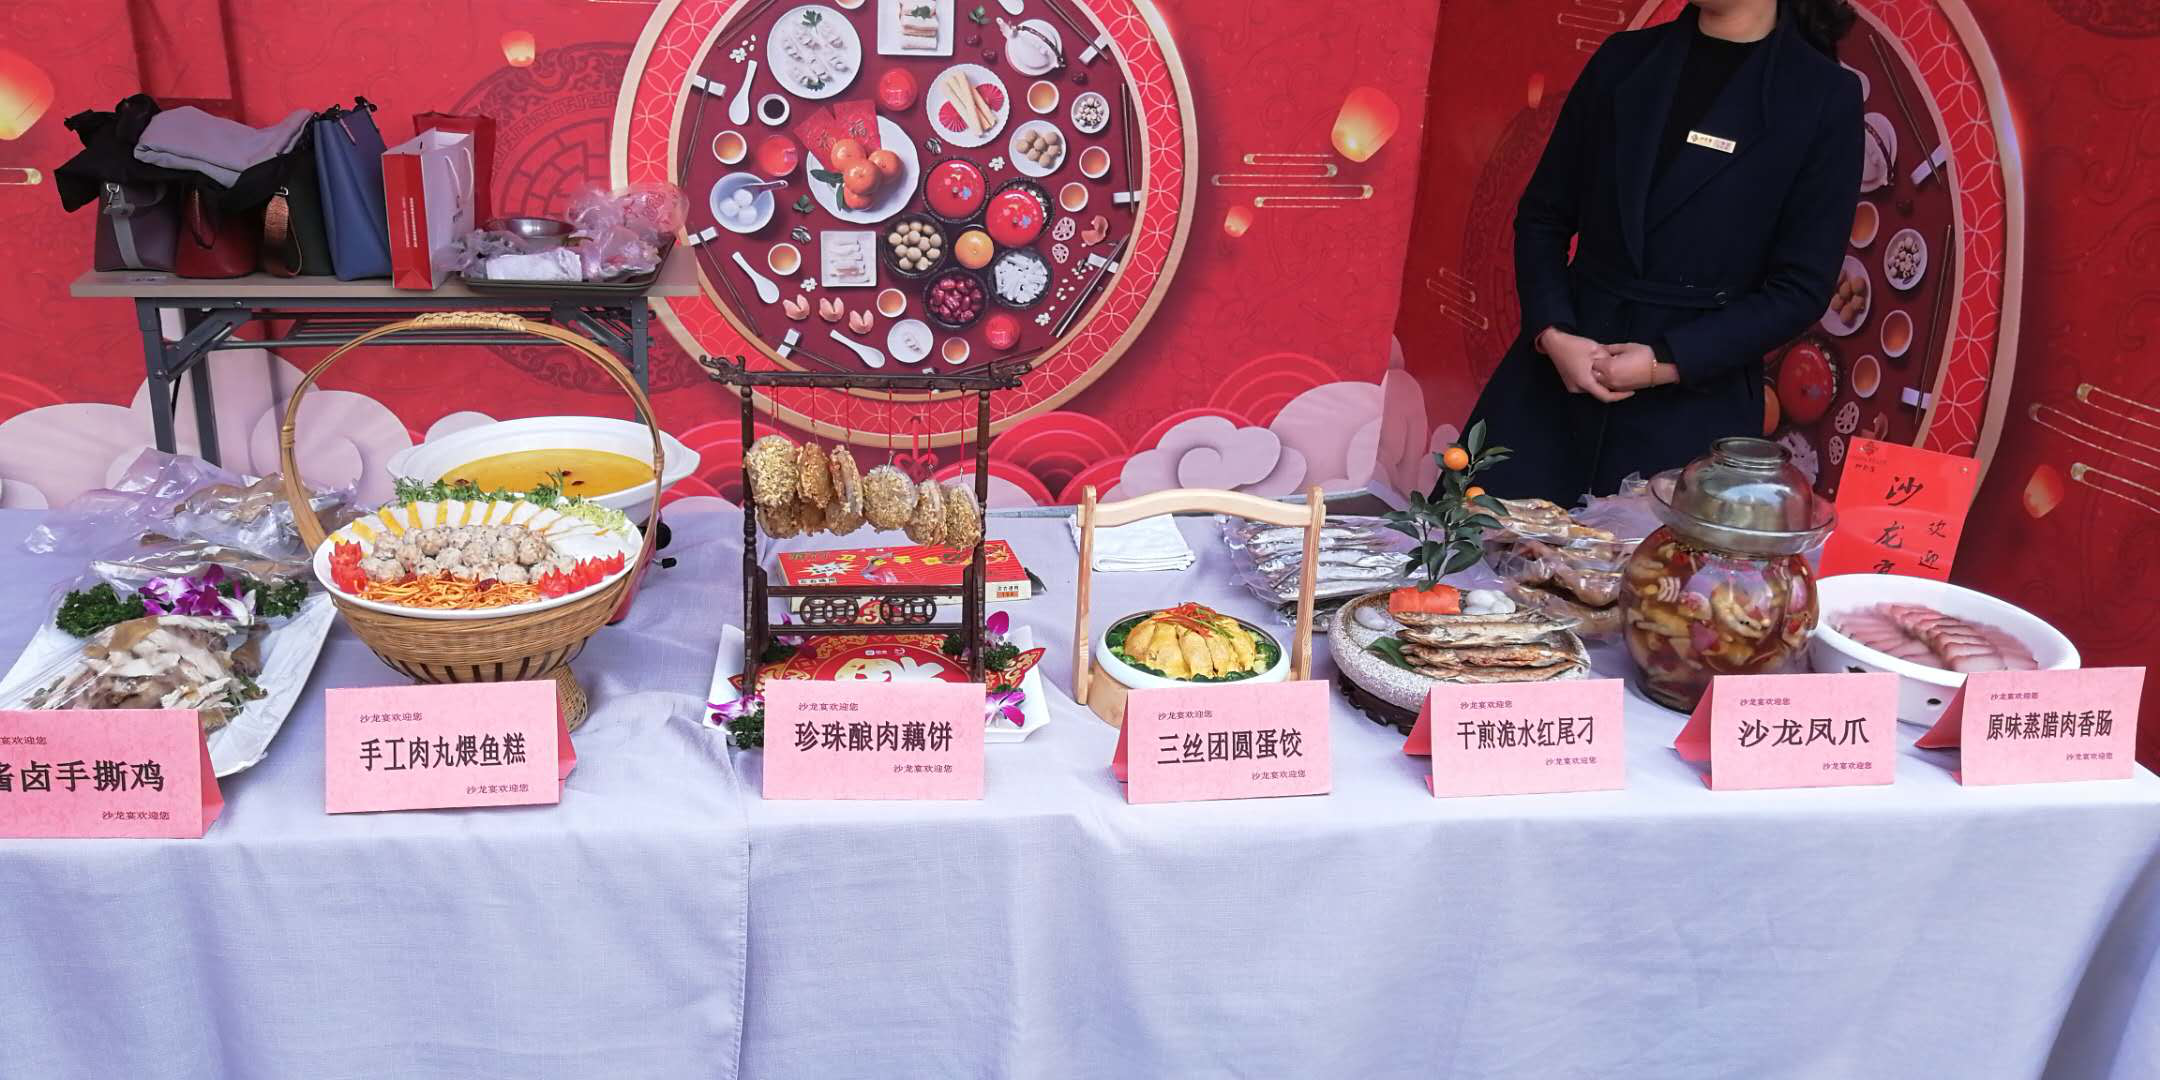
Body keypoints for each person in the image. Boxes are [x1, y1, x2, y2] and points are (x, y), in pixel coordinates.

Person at [1465, 0, 1863, 502]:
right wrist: (1553, 333)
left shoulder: (1822, 95)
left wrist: (1667, 361)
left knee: (1658, 555)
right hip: (1558, 378)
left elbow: (1800, 289)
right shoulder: (1623, 59)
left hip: (1695, 405)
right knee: (1467, 545)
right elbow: (1543, 217)